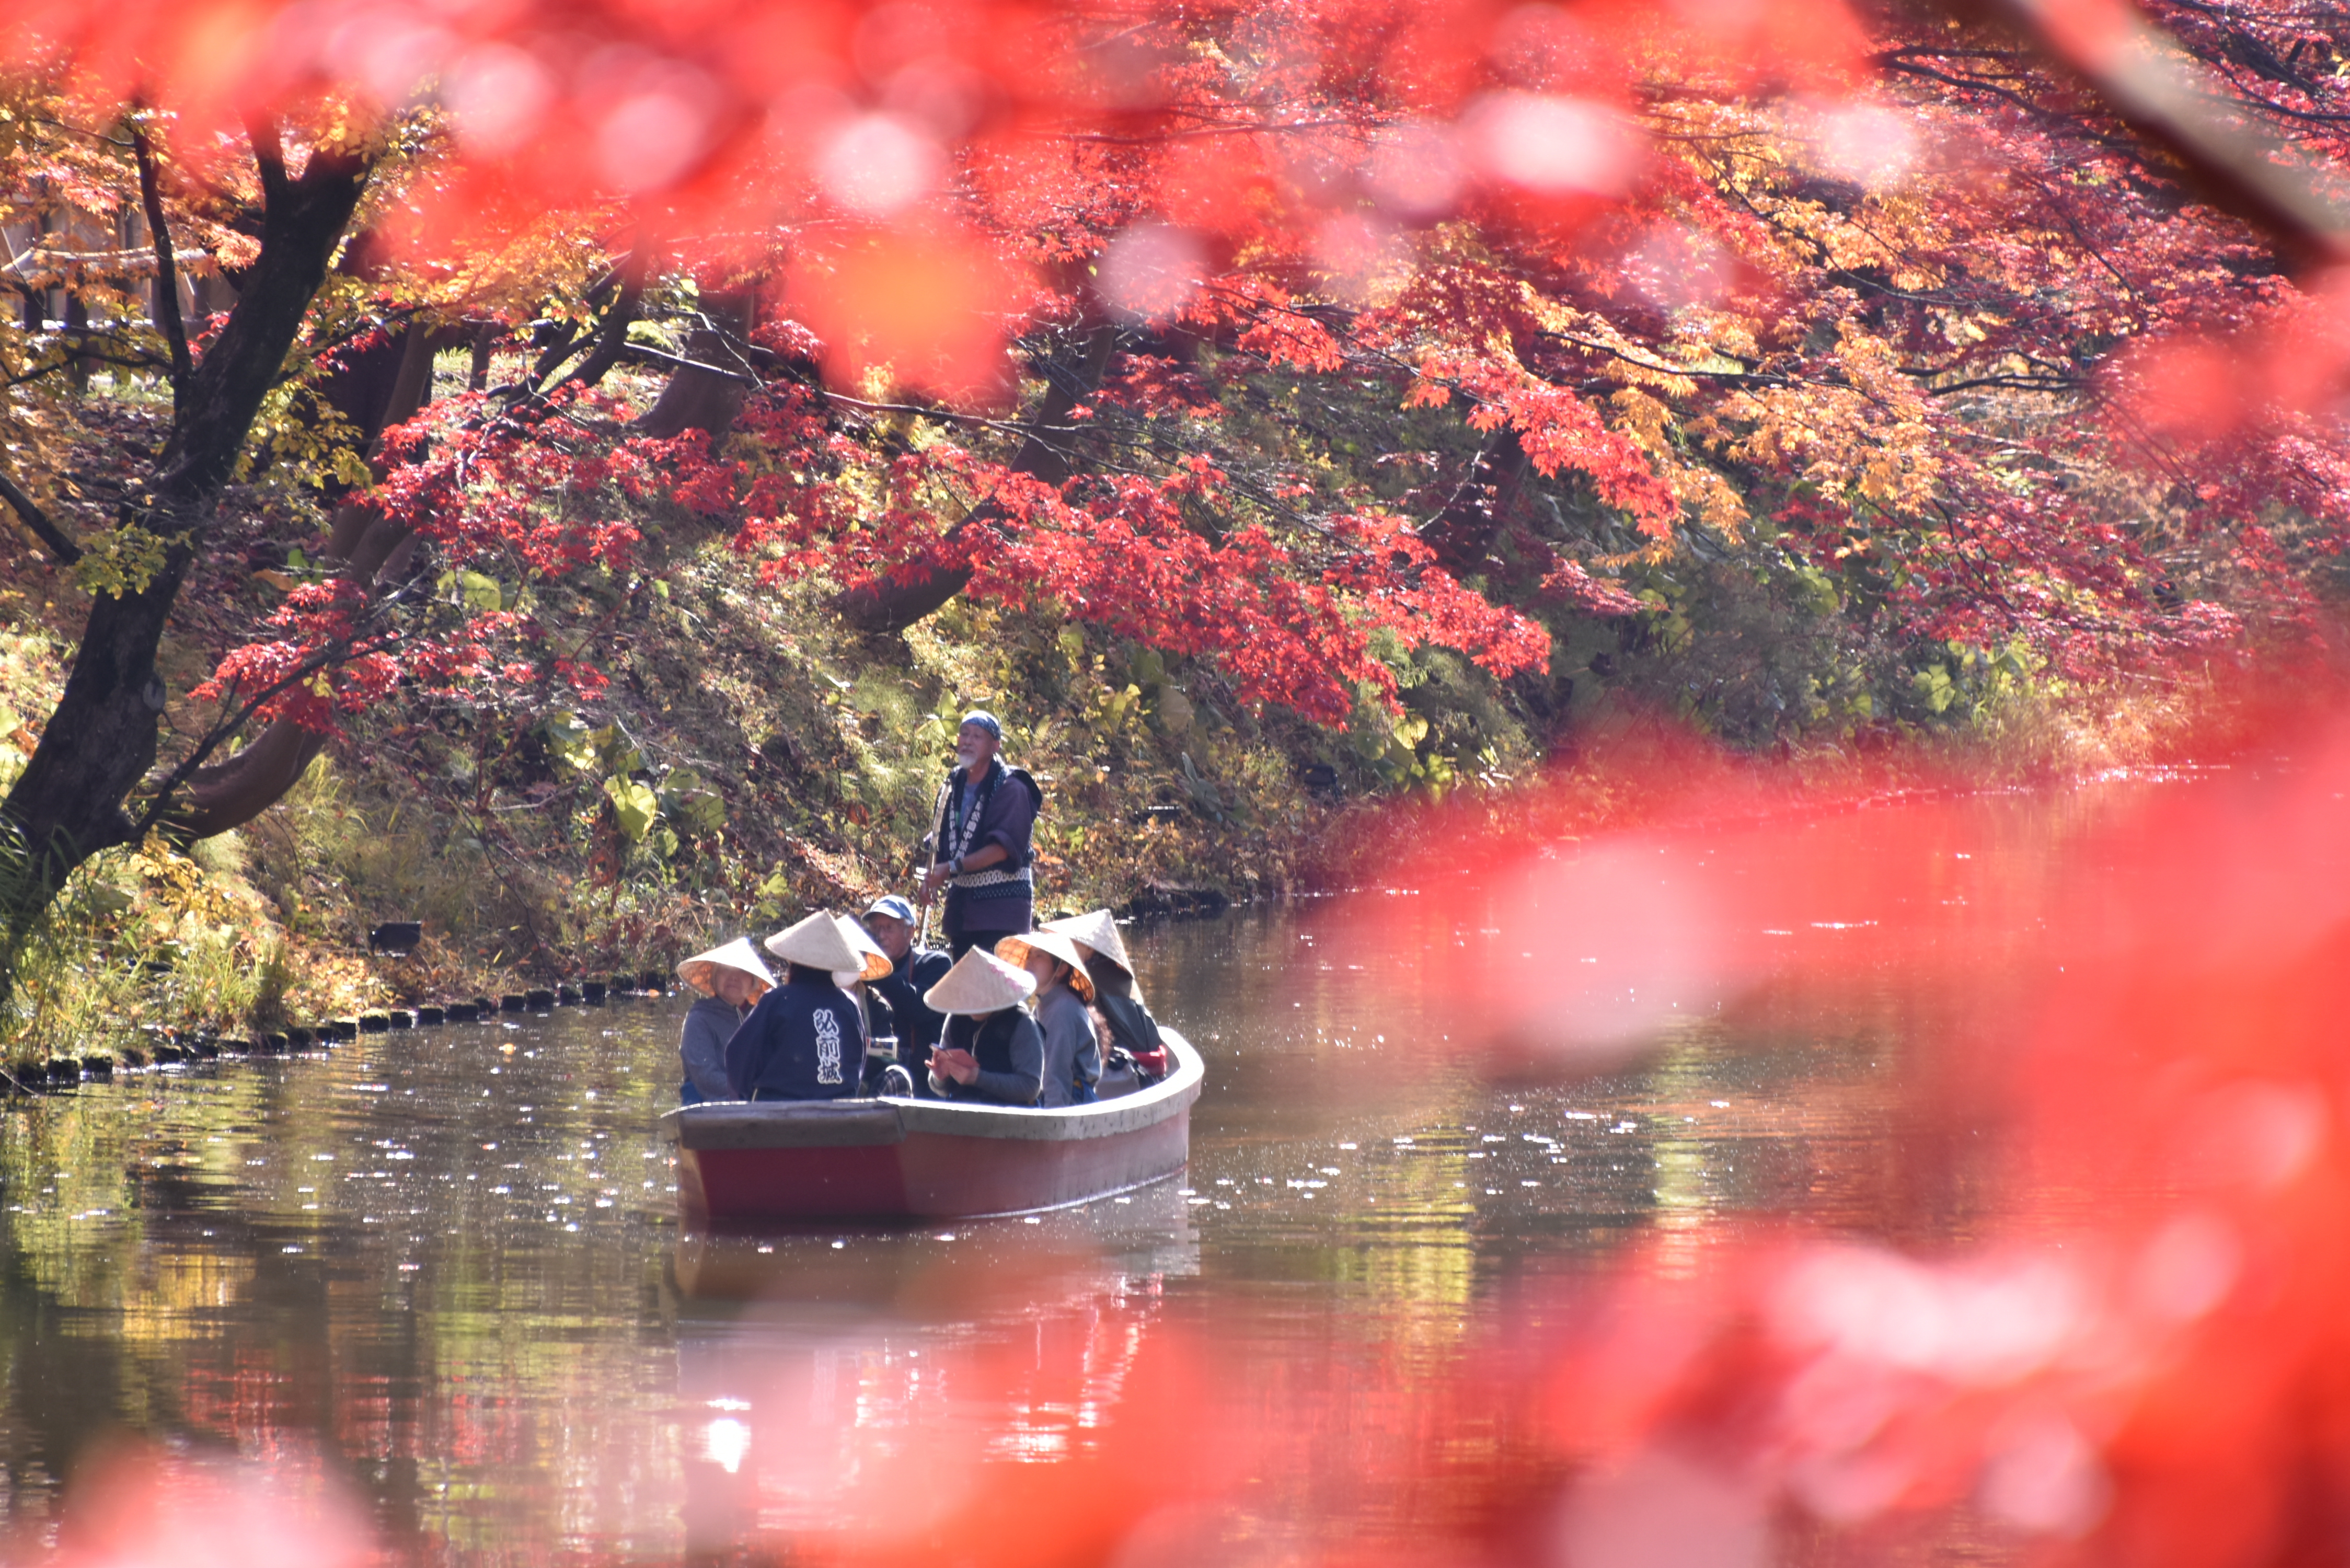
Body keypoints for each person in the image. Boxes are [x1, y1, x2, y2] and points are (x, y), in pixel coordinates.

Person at [918, 711, 1043, 959]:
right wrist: (931, 878)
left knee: (996, 981)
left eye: (977, 737)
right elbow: (942, 837)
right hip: (962, 911)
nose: (968, 741)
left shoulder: (1012, 788)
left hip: (1001, 912)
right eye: (964, 734)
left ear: (995, 746)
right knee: (964, 980)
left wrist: (950, 868)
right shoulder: (952, 785)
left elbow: (1002, 849)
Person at [723, 910, 869, 1102]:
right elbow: (858, 1065)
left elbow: (738, 1056)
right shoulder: (849, 1004)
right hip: (840, 1111)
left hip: (780, 1111)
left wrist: (747, 1098)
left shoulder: (778, 1000)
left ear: (793, 962)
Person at [1041, 908, 1168, 1077]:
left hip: (1121, 1067)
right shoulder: (1118, 973)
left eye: (1069, 942)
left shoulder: (1087, 978)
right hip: (1142, 1062)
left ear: (1089, 948)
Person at [921, 946, 1044, 1105]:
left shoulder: (1022, 1023)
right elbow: (939, 1087)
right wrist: (940, 1077)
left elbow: (1031, 1087)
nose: (972, 1004)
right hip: (960, 1113)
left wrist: (977, 1078)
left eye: (978, 996)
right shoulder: (955, 1019)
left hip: (1009, 1117)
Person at [994, 929, 1100, 1108]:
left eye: (1039, 956)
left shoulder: (1063, 1008)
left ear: (1061, 970)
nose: (1029, 961)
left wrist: (1051, 1120)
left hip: (1073, 1099)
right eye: (1029, 955)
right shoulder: (1045, 1002)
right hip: (1055, 1092)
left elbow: (1056, 1073)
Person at [861, 894, 951, 1079]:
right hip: (871, 1067)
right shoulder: (862, 967)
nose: (881, 936)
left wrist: (878, 969)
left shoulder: (934, 963)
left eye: (889, 928)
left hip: (922, 1074)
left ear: (910, 933)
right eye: (876, 928)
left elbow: (920, 1006)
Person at [674, 937, 774, 1103]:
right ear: (714, 978)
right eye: (725, 970)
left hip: (754, 1103)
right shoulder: (699, 1018)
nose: (734, 977)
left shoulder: (762, 1019)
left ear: (753, 982)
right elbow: (705, 1075)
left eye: (742, 972)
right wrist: (749, 1093)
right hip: (706, 1103)